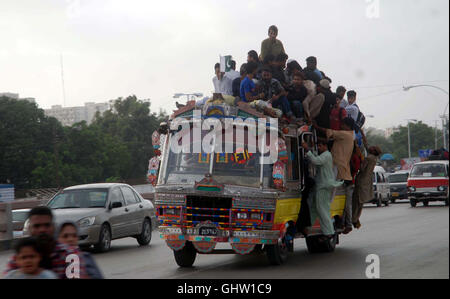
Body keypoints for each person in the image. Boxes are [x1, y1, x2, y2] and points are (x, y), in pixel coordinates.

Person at [4, 206, 88, 279]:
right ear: (29, 229)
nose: (42, 230)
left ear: (54, 227)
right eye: (37, 226)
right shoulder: (19, 257)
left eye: (47, 225)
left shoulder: (70, 254)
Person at [314, 117, 356, 234]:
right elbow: (330, 139)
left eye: (343, 124)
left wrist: (316, 127)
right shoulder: (349, 136)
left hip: (338, 166)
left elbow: (329, 131)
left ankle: (331, 217)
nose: (341, 126)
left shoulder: (345, 134)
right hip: (341, 168)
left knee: (330, 190)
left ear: (347, 126)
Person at [302, 138, 343, 241]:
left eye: (320, 146)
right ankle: (308, 226)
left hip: (324, 185)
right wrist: (310, 150)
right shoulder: (325, 155)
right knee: (314, 207)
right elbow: (315, 156)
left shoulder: (327, 155)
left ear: (325, 146)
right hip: (321, 185)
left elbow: (316, 161)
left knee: (322, 209)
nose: (319, 148)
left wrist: (307, 150)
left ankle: (329, 232)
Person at [352, 138, 382, 228]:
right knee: (360, 202)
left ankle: (354, 218)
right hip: (366, 181)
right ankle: (355, 218)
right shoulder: (374, 158)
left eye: (372, 148)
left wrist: (359, 156)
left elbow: (361, 168)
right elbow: (367, 146)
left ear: (373, 151)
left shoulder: (368, 158)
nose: (370, 147)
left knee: (357, 201)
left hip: (361, 181)